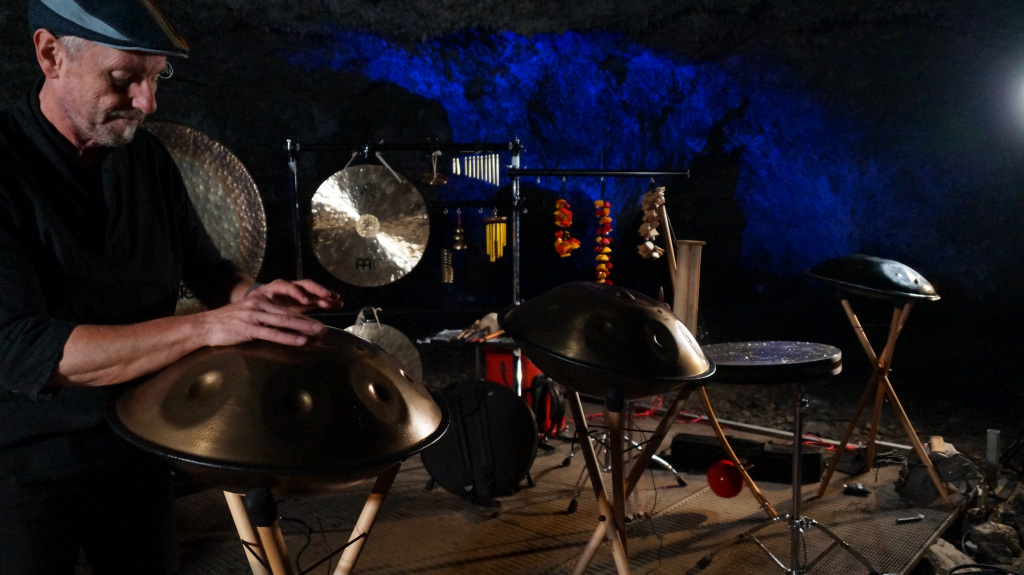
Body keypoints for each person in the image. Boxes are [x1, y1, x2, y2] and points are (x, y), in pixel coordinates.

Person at [0, 1, 342, 573]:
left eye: (156, 79)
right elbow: (23, 347)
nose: (147, 103)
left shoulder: (148, 161)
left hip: (139, 444)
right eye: (123, 79)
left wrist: (252, 302)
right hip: (24, 466)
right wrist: (209, 326)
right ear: (50, 54)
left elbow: (210, 272)